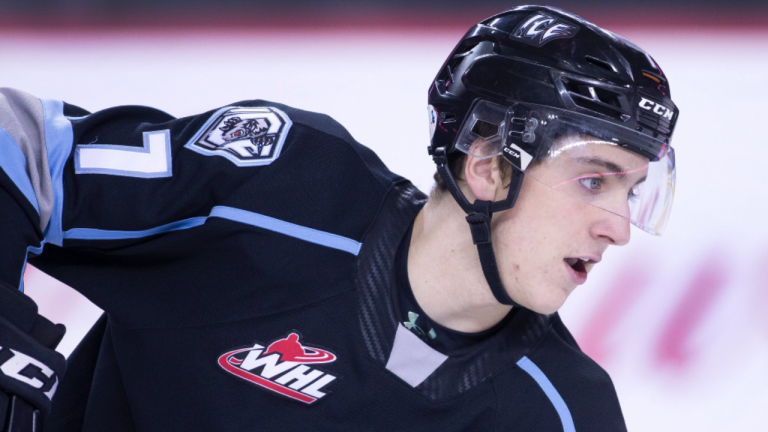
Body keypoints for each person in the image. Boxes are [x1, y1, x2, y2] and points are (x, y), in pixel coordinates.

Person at [0, 5, 678, 432]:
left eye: (631, 192)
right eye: (594, 181)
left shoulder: (565, 411)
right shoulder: (278, 189)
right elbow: (16, 141)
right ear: (488, 164)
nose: (618, 227)